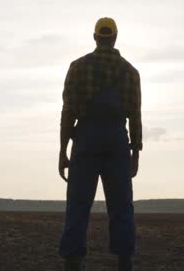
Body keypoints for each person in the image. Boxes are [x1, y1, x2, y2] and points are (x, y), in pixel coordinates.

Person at [58, 16, 142, 271]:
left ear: (95, 37)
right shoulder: (130, 72)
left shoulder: (78, 67)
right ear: (115, 38)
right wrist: (135, 152)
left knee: (78, 205)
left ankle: (73, 261)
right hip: (117, 142)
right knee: (121, 207)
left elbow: (68, 111)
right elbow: (135, 115)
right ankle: (125, 261)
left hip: (85, 140)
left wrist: (62, 150)